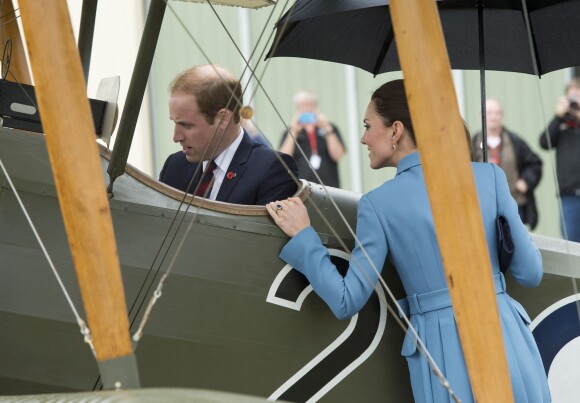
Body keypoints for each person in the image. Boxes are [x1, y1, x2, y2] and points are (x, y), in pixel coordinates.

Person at [267, 80, 550, 402]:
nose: (362, 138)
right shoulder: (490, 177)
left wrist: (305, 236)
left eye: (368, 126)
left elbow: (345, 299)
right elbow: (530, 273)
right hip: (508, 340)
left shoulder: (378, 204)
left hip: (441, 355)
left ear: (395, 130)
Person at [159, 65, 299, 205]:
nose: (176, 137)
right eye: (174, 123)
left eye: (186, 125)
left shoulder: (273, 169)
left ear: (223, 119)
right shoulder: (174, 166)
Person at [472, 99, 543, 230]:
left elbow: (535, 163)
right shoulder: (473, 143)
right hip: (483, 206)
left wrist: (526, 181)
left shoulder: (515, 141)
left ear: (502, 116)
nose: (493, 117)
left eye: (497, 113)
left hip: (514, 204)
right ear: (480, 116)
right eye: (488, 113)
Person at [539, 78, 580, 242]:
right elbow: (544, 142)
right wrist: (557, 116)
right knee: (571, 244)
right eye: (571, 98)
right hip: (568, 195)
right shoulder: (561, 124)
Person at [279, 90, 345, 188]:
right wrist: (294, 131)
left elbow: (337, 155)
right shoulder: (289, 132)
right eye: (303, 106)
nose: (308, 108)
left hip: (329, 187)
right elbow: (284, 159)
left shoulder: (330, 128)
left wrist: (327, 128)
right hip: (301, 189)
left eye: (311, 105)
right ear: (297, 108)